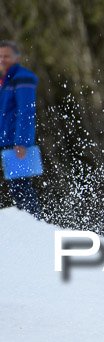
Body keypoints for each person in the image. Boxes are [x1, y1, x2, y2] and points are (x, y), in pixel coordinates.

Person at [0, 40, 41, 217]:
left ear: (16, 58)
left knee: (20, 185)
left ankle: (34, 222)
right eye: (0, 56)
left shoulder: (22, 78)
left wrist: (22, 142)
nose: (2, 59)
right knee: (16, 186)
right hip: (4, 139)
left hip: (15, 142)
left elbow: (26, 111)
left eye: (6, 56)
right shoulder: (5, 81)